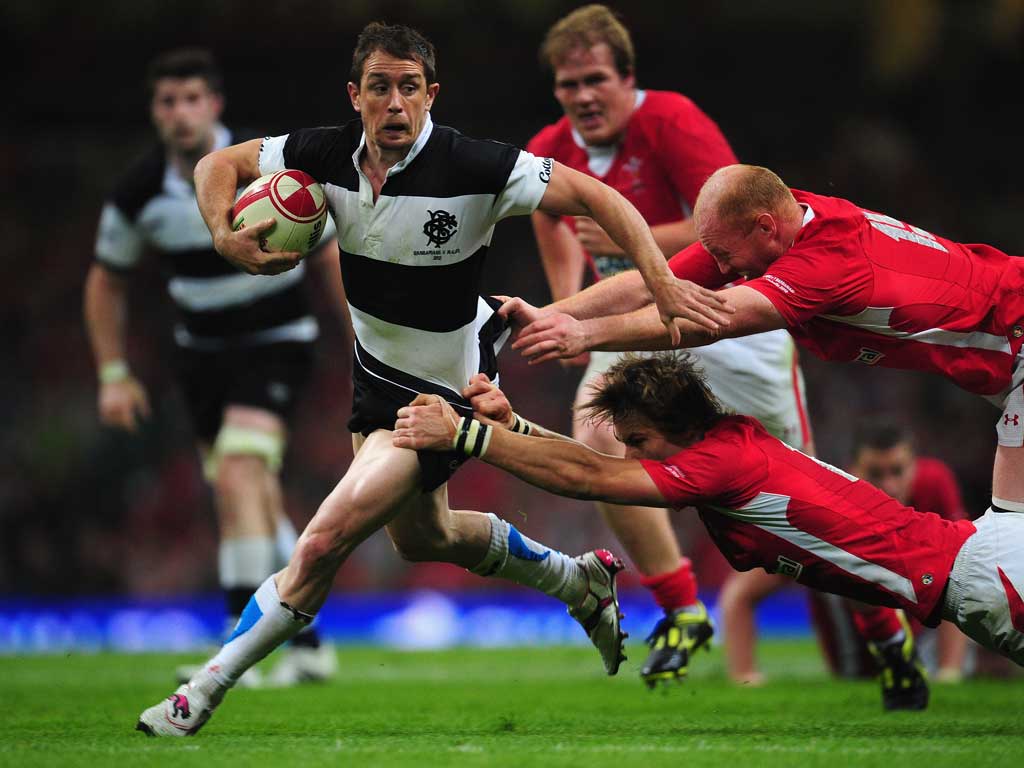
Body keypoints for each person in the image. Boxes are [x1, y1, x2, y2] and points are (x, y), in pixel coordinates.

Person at [136, 23, 730, 737]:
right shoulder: (321, 154)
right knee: (425, 538)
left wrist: (661, 285)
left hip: (440, 389)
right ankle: (579, 580)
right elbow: (216, 166)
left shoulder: (477, 165)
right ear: (355, 96)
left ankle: (200, 693)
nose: (395, 103)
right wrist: (223, 233)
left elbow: (603, 201)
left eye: (409, 87)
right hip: (374, 375)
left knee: (324, 542)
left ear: (430, 95)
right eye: (380, 87)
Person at [392, 353, 1024, 678]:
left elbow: (589, 477)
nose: (631, 454)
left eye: (638, 441)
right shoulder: (725, 445)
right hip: (975, 560)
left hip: (979, 578)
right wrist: (515, 427)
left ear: (677, 430)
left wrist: (467, 437)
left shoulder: (720, 467)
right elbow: (593, 464)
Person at [500, 163, 1024, 539]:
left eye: (725, 255)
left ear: (765, 227)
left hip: (1018, 337)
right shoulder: (784, 215)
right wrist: (556, 314)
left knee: (1007, 536)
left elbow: (711, 319)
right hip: (1003, 363)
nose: (722, 268)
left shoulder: (825, 264)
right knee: (1008, 535)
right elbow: (653, 284)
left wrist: (586, 336)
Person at [526, 4, 812, 686]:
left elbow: (732, 226)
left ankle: (881, 621)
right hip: (629, 324)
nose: (583, 97)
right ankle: (682, 607)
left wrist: (635, 238)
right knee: (594, 433)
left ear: (628, 78)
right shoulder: (548, 149)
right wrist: (566, 305)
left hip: (719, 312)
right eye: (569, 86)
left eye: (596, 79)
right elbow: (550, 219)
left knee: (800, 488)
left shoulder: (672, 120)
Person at [84, 48, 342, 688]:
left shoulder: (266, 172)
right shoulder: (139, 193)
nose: (180, 113)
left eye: (192, 99)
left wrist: (364, 340)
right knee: (247, 491)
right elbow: (105, 281)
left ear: (215, 104)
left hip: (277, 340)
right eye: (167, 101)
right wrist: (113, 371)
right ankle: (308, 645)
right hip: (200, 356)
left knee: (238, 473)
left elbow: (333, 256)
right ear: (154, 111)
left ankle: (239, 649)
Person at [720, 419, 967, 691]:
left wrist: (949, 672)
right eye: (875, 473)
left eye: (897, 471)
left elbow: (958, 577)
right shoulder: (823, 504)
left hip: (926, 639)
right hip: (852, 657)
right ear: (851, 472)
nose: (890, 486)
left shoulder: (934, 484)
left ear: (915, 467)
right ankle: (878, 666)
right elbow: (739, 596)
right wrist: (745, 676)